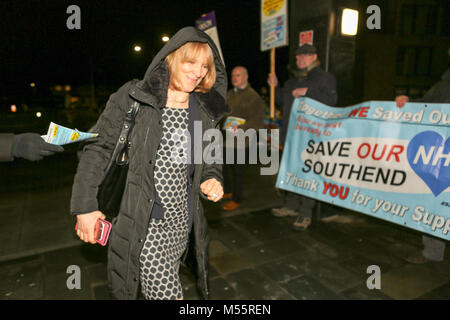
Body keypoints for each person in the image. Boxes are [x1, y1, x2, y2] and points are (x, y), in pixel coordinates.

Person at [71, 27, 229, 300]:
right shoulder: (135, 97)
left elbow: (210, 156)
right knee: (168, 294)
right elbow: (98, 148)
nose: (198, 71)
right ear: (170, 59)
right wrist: (84, 205)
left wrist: (212, 178)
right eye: (190, 62)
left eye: (204, 65)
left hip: (183, 220)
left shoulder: (203, 108)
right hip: (144, 222)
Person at [267, 44, 338, 231]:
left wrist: (308, 92)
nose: (300, 60)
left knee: (308, 174)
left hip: (311, 135)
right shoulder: (292, 81)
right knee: (291, 171)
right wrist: (275, 88)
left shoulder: (324, 78)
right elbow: (282, 102)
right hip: (291, 134)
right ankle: (290, 206)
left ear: (314, 56)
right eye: (298, 57)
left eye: (304, 56)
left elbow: (332, 101)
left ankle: (305, 213)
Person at [395, 59, 449, 264]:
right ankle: (433, 251)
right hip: (440, 155)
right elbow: (425, 106)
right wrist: (408, 102)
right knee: (434, 201)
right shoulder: (443, 85)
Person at [222, 66, 265, 211]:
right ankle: (228, 191)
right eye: (233, 75)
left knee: (238, 171)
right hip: (228, 138)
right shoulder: (230, 94)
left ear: (245, 77)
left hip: (243, 140)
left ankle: (237, 198)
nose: (234, 78)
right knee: (226, 167)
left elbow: (258, 121)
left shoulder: (253, 96)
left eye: (238, 75)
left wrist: (240, 128)